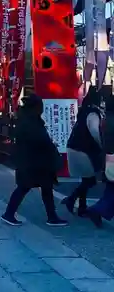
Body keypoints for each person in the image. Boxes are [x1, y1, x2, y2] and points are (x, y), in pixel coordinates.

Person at [1, 94, 67, 227]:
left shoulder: (25, 119)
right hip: (34, 161)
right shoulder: (31, 122)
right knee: (26, 187)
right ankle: (9, 214)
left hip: (32, 160)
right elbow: (39, 139)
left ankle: (51, 216)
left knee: (43, 188)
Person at [62, 86, 103, 217]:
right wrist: (101, 144)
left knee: (86, 179)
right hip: (83, 150)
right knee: (90, 180)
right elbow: (95, 131)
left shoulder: (84, 110)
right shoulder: (93, 112)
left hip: (74, 146)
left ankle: (81, 206)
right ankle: (72, 199)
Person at [88, 94, 114, 227]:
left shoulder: (106, 119)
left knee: (110, 189)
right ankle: (98, 210)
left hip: (108, 157)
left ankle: (98, 210)